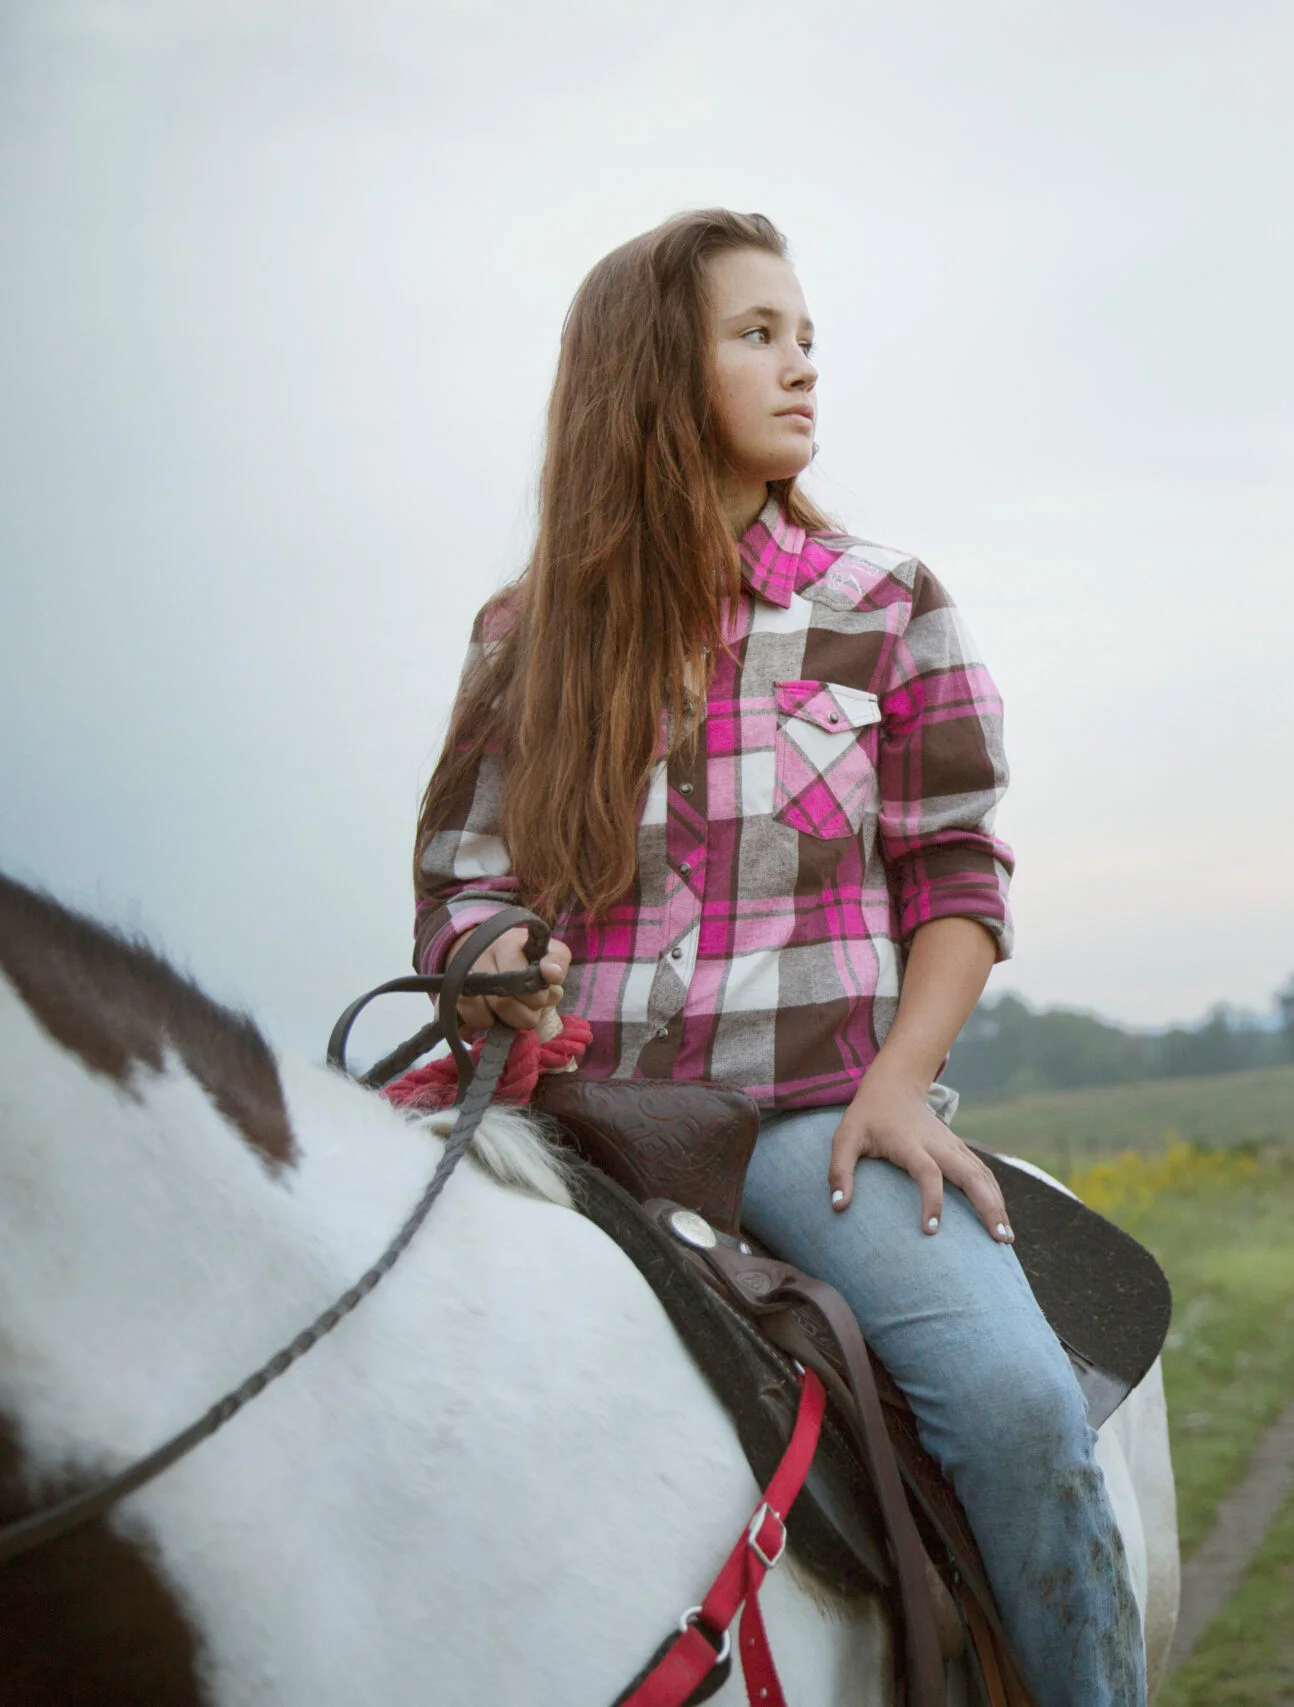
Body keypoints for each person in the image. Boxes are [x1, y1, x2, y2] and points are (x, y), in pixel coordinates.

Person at [412, 208, 1142, 1705]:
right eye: (759, 334)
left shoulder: (883, 608)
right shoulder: (524, 638)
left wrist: (900, 1086)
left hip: (814, 1128)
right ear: (651, 377)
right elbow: (462, 882)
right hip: (578, 1128)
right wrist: (491, 952)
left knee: (1013, 1407)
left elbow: (956, 874)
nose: (803, 364)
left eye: (806, 334)